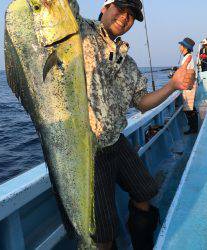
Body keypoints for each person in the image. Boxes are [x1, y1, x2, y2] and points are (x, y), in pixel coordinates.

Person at [67, 0, 195, 249]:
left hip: (116, 140)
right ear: (105, 8)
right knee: (102, 233)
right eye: (120, 9)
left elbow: (143, 102)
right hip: (87, 151)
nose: (125, 17)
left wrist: (172, 85)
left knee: (145, 193)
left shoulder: (128, 63)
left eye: (132, 15)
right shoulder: (78, 32)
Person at [178, 37, 198, 134]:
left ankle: (193, 129)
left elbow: (186, 72)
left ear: (185, 47)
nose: (179, 47)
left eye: (181, 45)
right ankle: (193, 127)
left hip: (189, 86)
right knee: (189, 108)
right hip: (189, 85)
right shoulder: (187, 56)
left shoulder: (188, 57)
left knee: (189, 109)